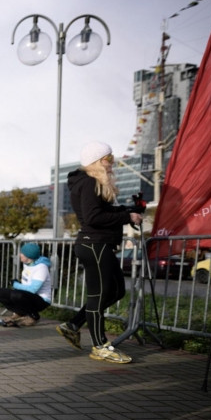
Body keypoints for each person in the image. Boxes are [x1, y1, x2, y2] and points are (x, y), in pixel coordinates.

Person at [55, 142, 141, 363]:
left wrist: (128, 210)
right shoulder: (89, 182)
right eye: (109, 159)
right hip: (94, 245)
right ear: (97, 162)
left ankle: (74, 324)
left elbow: (100, 212)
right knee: (98, 296)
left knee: (116, 291)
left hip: (99, 245)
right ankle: (100, 345)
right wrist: (126, 217)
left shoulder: (89, 183)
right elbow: (93, 218)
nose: (113, 164)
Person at [0, 242, 51, 327]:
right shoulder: (27, 264)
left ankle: (34, 316)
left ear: (29, 256)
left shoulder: (41, 268)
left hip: (41, 300)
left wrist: (16, 285)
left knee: (17, 295)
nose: (20, 255)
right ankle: (19, 313)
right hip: (28, 296)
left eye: (22, 253)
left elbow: (33, 289)